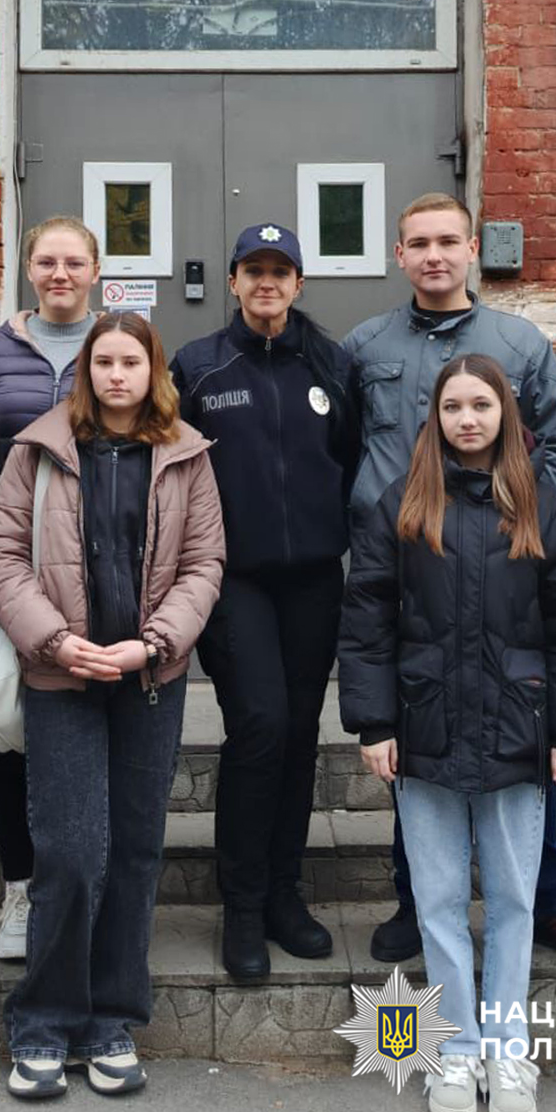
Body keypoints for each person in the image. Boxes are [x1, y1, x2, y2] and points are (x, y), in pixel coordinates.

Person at [343, 192, 556, 977]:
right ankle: (415, 899)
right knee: (416, 737)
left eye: (448, 241)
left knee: (528, 741)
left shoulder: (519, 343)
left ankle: (550, 902)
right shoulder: (365, 346)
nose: (434, 255)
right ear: (400, 254)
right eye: (419, 243)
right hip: (410, 572)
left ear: (472, 249)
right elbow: (346, 449)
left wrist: (522, 525)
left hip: (509, 574)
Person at [339, 354, 556, 1112]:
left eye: (481, 405)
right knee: (440, 899)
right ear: (436, 417)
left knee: (517, 898)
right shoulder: (403, 502)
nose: (467, 419)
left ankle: (509, 1048)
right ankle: (455, 1047)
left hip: (518, 731)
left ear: (504, 416)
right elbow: (367, 622)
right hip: (425, 730)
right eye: (453, 406)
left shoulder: (539, 504)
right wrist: (376, 723)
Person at [0, 312, 224, 1099]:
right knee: (71, 852)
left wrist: (152, 645)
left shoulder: (186, 454)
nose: (117, 375)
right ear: (85, 371)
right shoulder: (38, 451)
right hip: (62, 680)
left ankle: (112, 1021)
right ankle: (43, 1023)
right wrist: (55, 642)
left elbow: (205, 563)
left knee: (134, 852)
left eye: (132, 362)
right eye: (104, 362)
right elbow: (3, 555)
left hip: (150, 680)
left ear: (154, 372)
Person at [170, 224, 360, 981]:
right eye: (254, 270)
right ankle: (243, 906)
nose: (267, 282)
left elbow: (350, 458)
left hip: (313, 578)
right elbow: (173, 468)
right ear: (234, 281)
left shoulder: (332, 364)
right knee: (260, 726)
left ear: (299, 283)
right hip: (233, 579)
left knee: (301, 734)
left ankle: (285, 894)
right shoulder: (199, 365)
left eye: (281, 271)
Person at [0, 214, 101, 960]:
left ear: (95, 270)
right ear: (27, 269)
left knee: (88, 726)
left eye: (73, 262)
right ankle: (20, 888)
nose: (60, 274)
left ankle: (89, 887)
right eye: (46, 261)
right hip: (13, 562)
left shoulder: (125, 345)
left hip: (102, 565)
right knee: (10, 730)